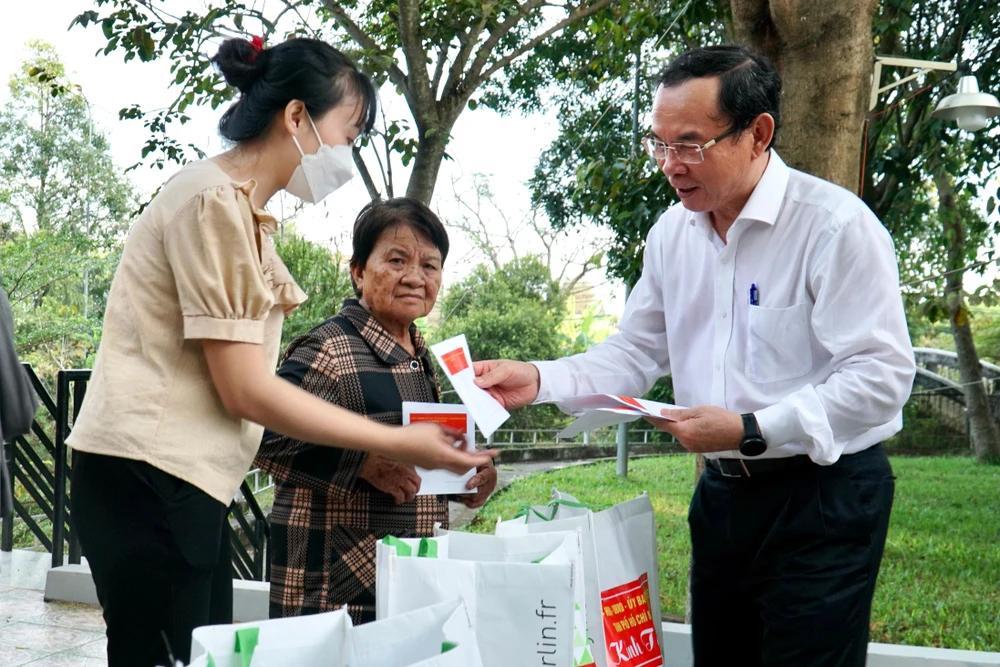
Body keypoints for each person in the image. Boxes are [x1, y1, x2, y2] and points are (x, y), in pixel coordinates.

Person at [474, 45, 916, 667]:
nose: (670, 165)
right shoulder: (670, 235)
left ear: (757, 134)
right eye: (659, 144)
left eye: (690, 145)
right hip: (721, 495)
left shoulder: (834, 227)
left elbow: (881, 376)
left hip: (824, 495)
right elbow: (636, 350)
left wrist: (751, 428)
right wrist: (540, 378)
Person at [66, 37, 494, 667]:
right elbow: (246, 390)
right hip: (150, 472)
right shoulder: (212, 201)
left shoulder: (242, 212)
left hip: (182, 479)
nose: (346, 154)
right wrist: (395, 443)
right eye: (348, 134)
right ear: (297, 117)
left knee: (192, 651)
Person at [254, 198, 498, 624]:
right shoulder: (327, 349)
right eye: (397, 260)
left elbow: (412, 459)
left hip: (403, 585)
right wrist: (362, 462)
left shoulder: (418, 354)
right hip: (332, 597)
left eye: (430, 265)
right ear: (359, 272)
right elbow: (262, 436)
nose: (415, 277)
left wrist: (464, 477)